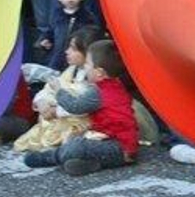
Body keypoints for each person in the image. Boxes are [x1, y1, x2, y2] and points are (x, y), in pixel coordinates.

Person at [21, 38, 140, 176]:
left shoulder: (98, 92)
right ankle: (91, 165)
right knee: (77, 141)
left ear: (99, 72)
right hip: (123, 147)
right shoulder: (117, 87)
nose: (85, 67)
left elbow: (75, 106)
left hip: (116, 147)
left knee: (77, 145)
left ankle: (51, 157)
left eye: (88, 64)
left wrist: (59, 91)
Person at [12, 26, 100, 156]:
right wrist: (42, 102)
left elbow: (85, 105)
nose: (67, 51)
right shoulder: (72, 70)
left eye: (73, 49)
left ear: (87, 53)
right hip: (60, 118)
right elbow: (50, 88)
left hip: (80, 122)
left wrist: (56, 111)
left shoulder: (95, 78)